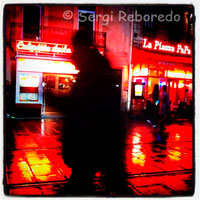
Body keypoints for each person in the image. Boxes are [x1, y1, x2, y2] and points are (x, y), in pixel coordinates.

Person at [61, 28, 132, 195]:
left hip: (92, 146)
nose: (72, 55)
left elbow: (83, 107)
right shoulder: (92, 70)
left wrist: (58, 101)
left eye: (75, 48)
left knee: (85, 185)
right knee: (108, 183)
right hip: (92, 147)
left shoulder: (94, 72)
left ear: (82, 47)